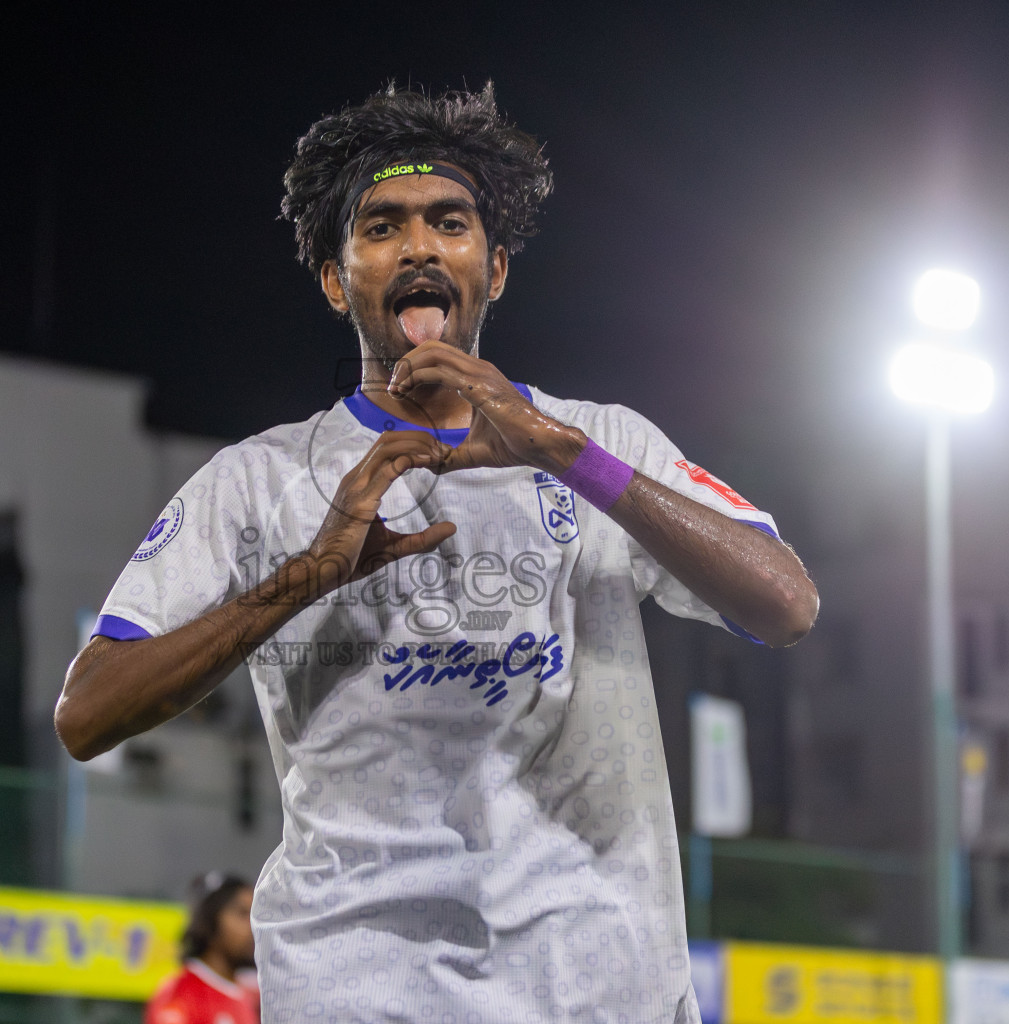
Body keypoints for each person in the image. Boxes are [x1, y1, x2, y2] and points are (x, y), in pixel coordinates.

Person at [55, 84, 818, 1024]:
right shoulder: (255, 480)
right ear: (338, 282)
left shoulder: (597, 439)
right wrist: (308, 576)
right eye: (381, 227)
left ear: (493, 269)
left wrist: (558, 453)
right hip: (361, 985)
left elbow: (787, 605)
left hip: (598, 981)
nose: (418, 246)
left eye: (448, 222)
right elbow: (86, 715)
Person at [146, 873, 260, 1024]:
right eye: (242, 914)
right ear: (209, 923)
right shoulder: (178, 996)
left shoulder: (254, 995)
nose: (253, 926)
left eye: (255, 915)